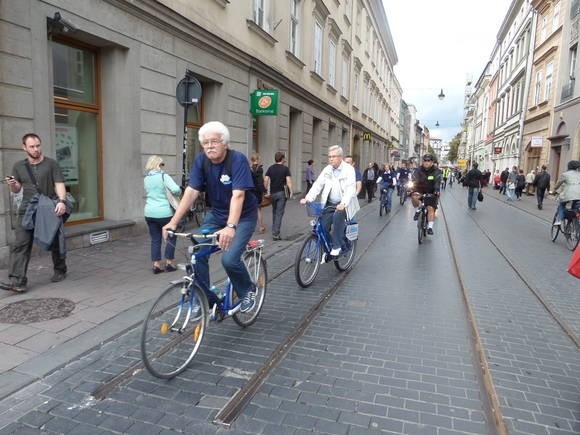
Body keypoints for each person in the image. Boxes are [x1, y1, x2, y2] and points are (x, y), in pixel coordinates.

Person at [163, 121, 258, 313]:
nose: (209, 146)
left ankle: (248, 290)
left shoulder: (237, 160)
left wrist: (231, 226)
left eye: (214, 141)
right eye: (205, 142)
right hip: (217, 215)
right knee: (197, 253)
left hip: (243, 217)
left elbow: (238, 195)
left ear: (225, 143)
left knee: (229, 259)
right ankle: (204, 297)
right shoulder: (201, 161)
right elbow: (191, 192)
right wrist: (173, 222)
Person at [1, 133, 69, 293]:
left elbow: (59, 184)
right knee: (20, 244)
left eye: (38, 145)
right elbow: (16, 189)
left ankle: (60, 269)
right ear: (24, 147)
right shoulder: (18, 166)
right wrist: (13, 184)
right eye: (32, 146)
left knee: (54, 240)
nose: (36, 149)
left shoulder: (51, 164)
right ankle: (17, 281)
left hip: (48, 208)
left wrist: (61, 201)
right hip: (27, 210)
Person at [300, 145, 359, 256]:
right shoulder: (327, 169)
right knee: (323, 226)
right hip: (330, 203)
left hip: (344, 204)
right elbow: (318, 184)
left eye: (334, 156)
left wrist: (344, 203)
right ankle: (329, 246)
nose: (331, 159)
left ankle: (337, 246)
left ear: (340, 157)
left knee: (337, 218)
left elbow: (350, 188)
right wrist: (308, 198)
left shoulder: (349, 169)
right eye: (329, 156)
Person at [143, 156, 181, 274]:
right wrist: (179, 191)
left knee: (155, 238)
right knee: (171, 236)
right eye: (162, 164)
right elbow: (175, 189)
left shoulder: (146, 179)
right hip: (164, 213)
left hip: (149, 212)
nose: (163, 166)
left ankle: (156, 265)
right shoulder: (164, 176)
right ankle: (169, 263)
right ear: (158, 165)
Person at [264, 152, 293, 241]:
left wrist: (266, 190)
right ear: (282, 159)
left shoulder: (270, 168)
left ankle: (274, 230)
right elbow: (288, 181)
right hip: (281, 193)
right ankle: (276, 234)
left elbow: (265, 180)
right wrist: (291, 191)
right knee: (279, 213)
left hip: (273, 193)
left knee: (274, 212)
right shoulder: (285, 169)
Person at [410, 153, 441, 235]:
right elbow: (414, 178)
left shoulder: (436, 171)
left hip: (431, 191)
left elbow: (437, 181)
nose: (426, 162)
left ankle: (430, 227)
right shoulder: (418, 170)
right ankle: (417, 211)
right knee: (414, 196)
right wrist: (411, 186)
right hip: (420, 190)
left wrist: (437, 190)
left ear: (432, 162)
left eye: (428, 161)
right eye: (425, 161)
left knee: (430, 208)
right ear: (423, 162)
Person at [552, 160, 580, 226]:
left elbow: (558, 184)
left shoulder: (565, 174)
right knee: (575, 209)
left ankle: (559, 220)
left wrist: (554, 190)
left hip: (568, 194)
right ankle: (573, 224)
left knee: (561, 205)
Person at [250, 153, 266, 234]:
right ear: (257, 159)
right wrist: (265, 191)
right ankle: (261, 227)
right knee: (258, 209)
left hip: (251, 191)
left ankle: (250, 228)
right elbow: (260, 182)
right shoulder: (260, 169)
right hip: (258, 192)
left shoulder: (250, 169)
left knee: (251, 210)